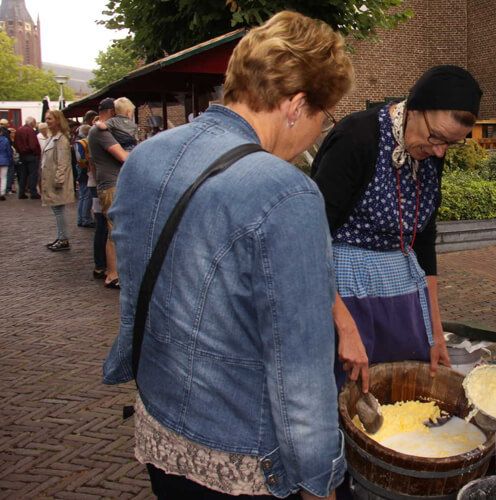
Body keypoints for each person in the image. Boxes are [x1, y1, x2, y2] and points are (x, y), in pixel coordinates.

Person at [102, 11, 354, 499]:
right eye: (325, 117)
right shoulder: (286, 192)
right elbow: (299, 369)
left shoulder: (147, 157)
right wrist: (320, 479)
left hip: (160, 431)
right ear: (297, 105)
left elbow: (135, 287)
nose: (318, 134)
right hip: (241, 456)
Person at [311, 65, 482, 392]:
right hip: (341, 290)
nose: (439, 151)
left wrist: (434, 332)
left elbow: (424, 240)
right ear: (414, 110)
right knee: (346, 395)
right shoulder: (356, 138)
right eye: (436, 138)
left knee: (402, 390)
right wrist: (346, 330)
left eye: (450, 144)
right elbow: (310, 238)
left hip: (399, 288)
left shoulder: (431, 147)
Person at [88, 97, 129, 289]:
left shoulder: (100, 129)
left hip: (107, 183)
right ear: (113, 112)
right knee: (115, 230)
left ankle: (108, 270)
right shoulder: (100, 131)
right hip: (112, 184)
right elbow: (122, 156)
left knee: (111, 229)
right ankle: (112, 275)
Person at [39, 110, 75, 251]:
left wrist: (59, 180)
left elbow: (63, 162)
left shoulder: (61, 140)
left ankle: (63, 238)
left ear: (57, 121)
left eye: (50, 119)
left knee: (59, 210)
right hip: (51, 179)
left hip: (56, 181)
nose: (47, 121)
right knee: (57, 210)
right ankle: (61, 236)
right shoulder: (53, 138)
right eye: (46, 119)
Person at [13, 116, 41, 199]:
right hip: (31, 155)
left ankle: (21, 192)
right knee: (33, 175)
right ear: (32, 123)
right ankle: (33, 192)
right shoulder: (30, 131)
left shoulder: (19, 130)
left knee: (23, 175)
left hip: (22, 155)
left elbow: (15, 144)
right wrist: (36, 153)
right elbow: (33, 145)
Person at [0, 124, 12, 201]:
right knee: (3, 177)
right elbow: (9, 151)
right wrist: (10, 159)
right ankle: (2, 192)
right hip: (4, 160)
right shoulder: (5, 140)